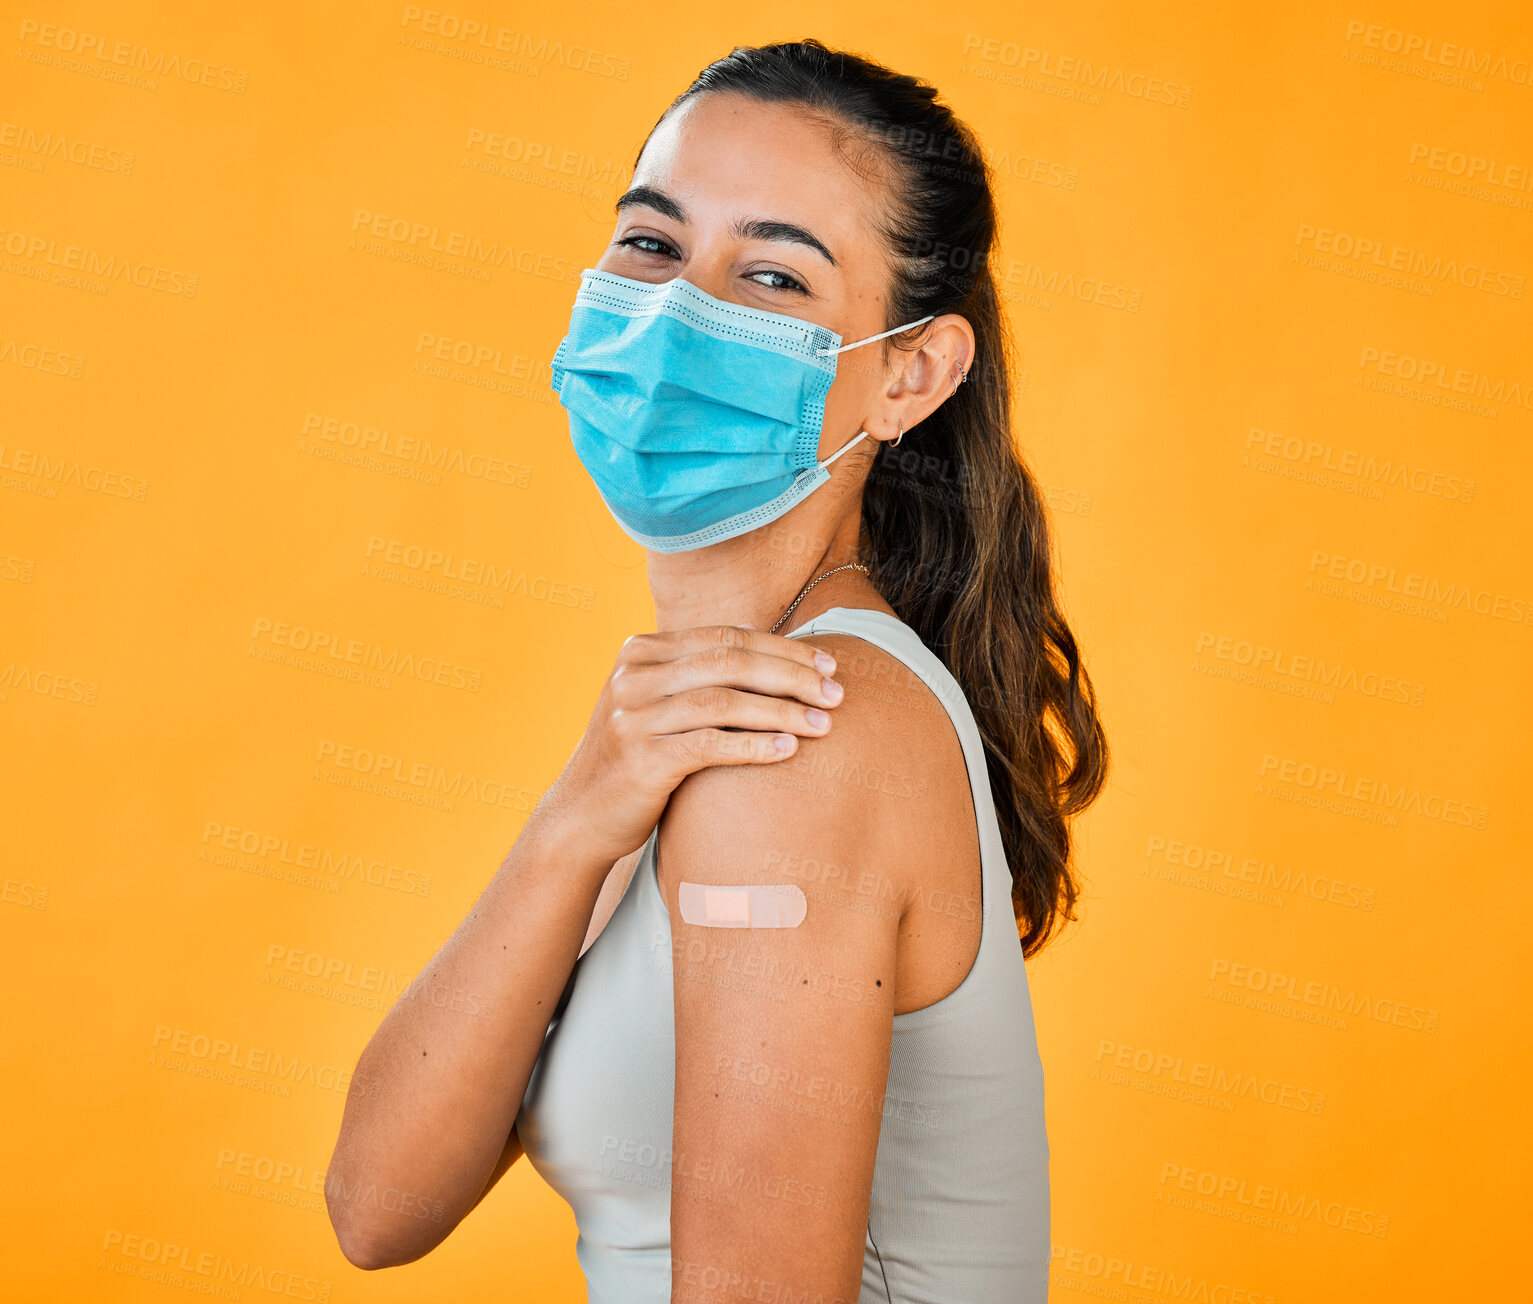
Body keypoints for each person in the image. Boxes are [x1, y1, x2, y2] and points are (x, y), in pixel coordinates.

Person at [325, 38, 1108, 1304]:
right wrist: (579, 814)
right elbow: (374, 1205)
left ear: (910, 372)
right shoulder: (684, 722)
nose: (679, 310)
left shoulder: (801, 736)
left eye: (772, 273)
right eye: (650, 244)